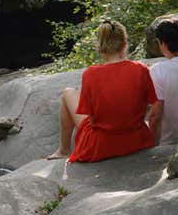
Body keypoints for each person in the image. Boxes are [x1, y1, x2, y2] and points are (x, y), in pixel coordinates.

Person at [48, 20, 163, 163]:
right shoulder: (141, 69)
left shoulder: (90, 74)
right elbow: (155, 108)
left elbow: (91, 118)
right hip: (137, 141)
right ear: (125, 43)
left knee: (68, 93)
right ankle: (63, 150)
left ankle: (64, 150)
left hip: (100, 146)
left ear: (100, 46)